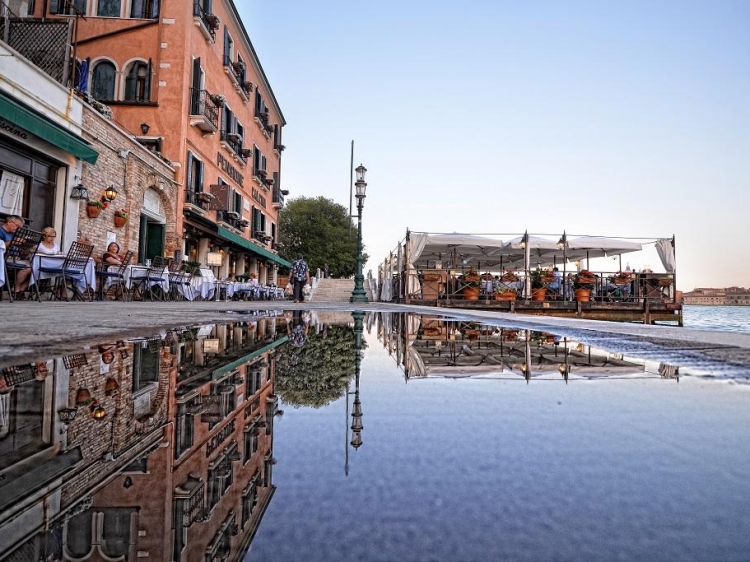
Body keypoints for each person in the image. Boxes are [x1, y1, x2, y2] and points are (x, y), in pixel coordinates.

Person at [14, 227, 59, 295]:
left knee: (35, 271)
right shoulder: (39, 245)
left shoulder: (56, 246)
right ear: (44, 236)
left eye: (53, 236)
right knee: (30, 270)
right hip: (37, 264)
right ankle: (17, 287)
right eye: (50, 236)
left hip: (50, 266)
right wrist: (33, 251)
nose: (52, 238)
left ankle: (21, 289)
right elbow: (28, 254)